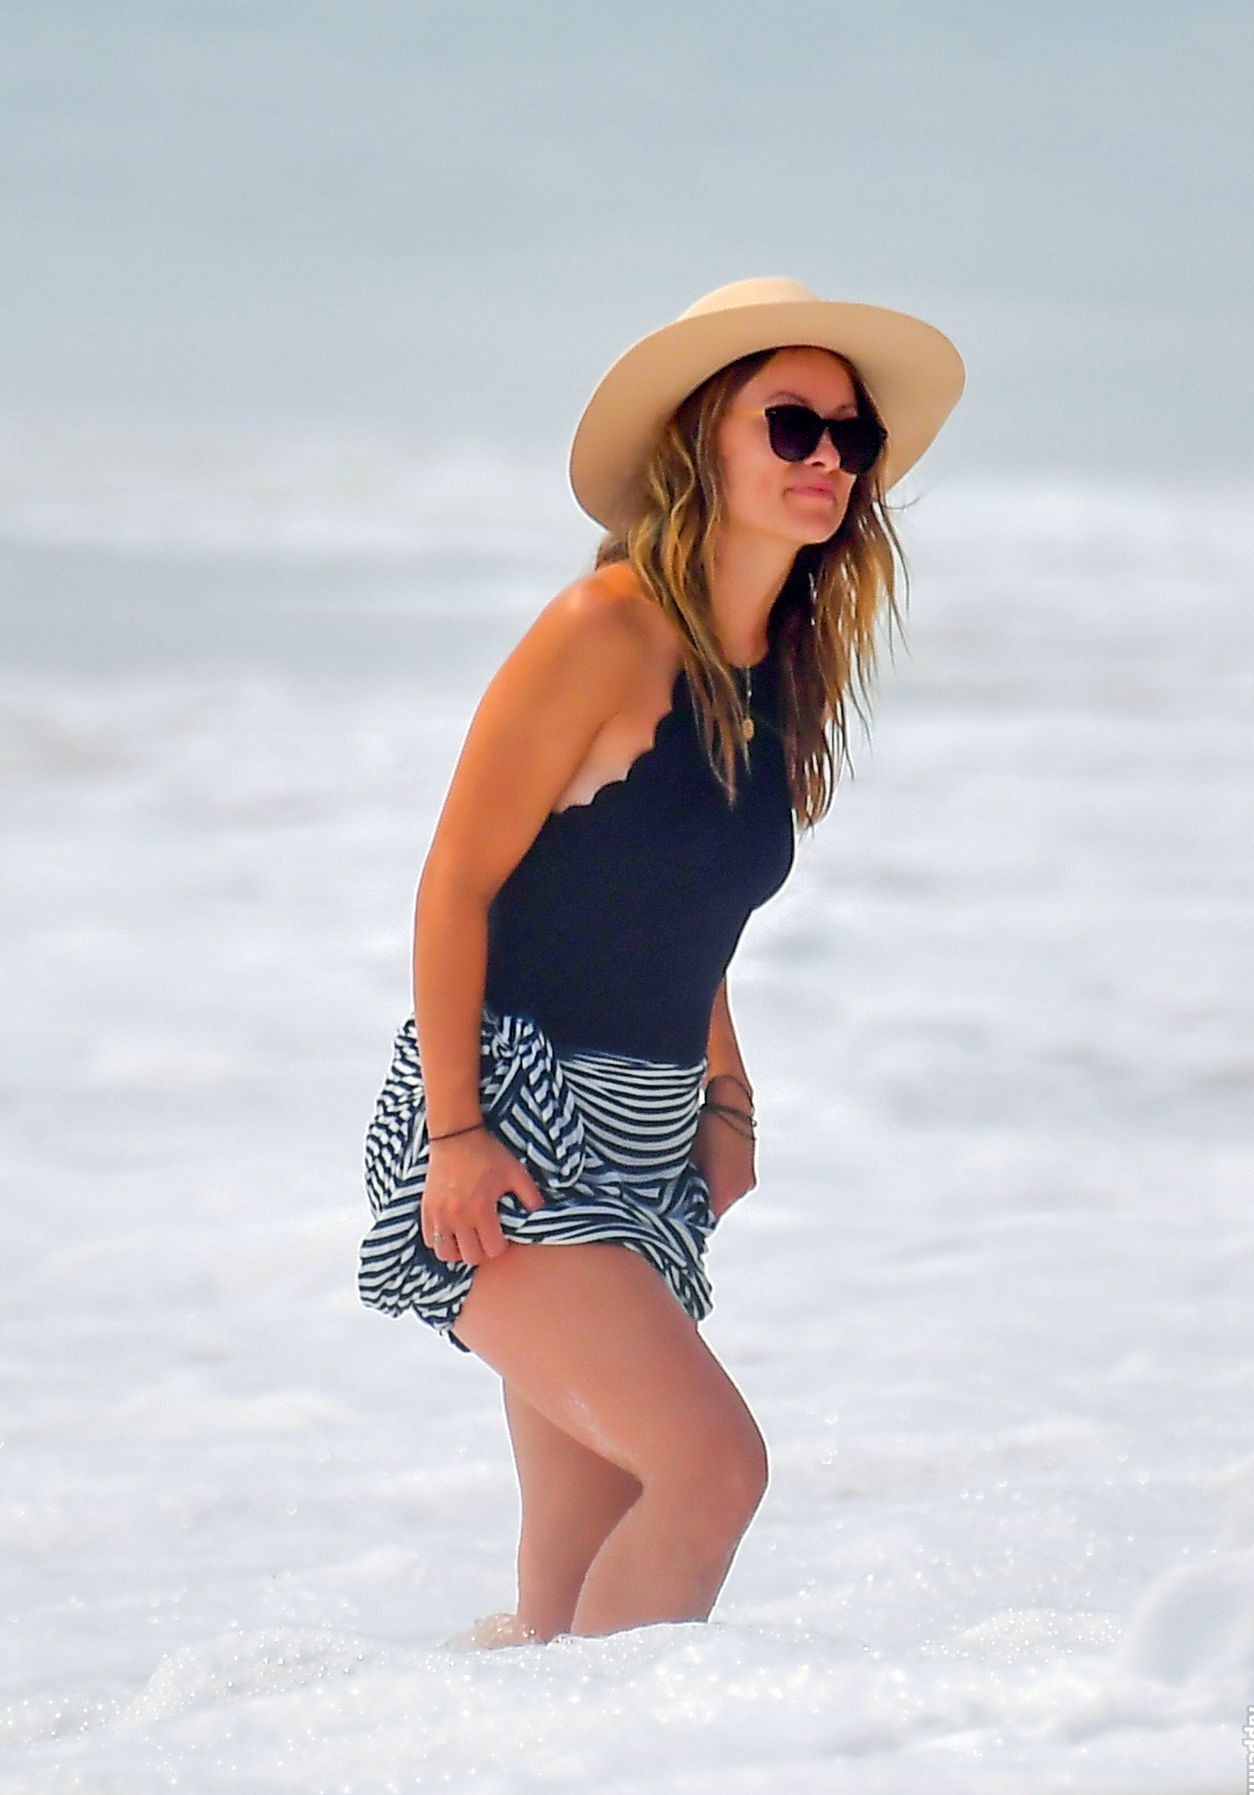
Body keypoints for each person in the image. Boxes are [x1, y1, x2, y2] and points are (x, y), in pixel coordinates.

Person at [357, 276, 965, 1647]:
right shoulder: (604, 631)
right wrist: (455, 1134)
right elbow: (455, 886)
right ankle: (617, 1771)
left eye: (851, 437)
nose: (827, 458)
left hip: (647, 1141)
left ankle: (521, 1773)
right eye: (791, 424)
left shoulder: (774, 670)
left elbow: (688, 912)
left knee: (571, 1596)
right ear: (703, 443)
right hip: (512, 1125)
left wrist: (726, 1097)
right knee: (712, 1470)